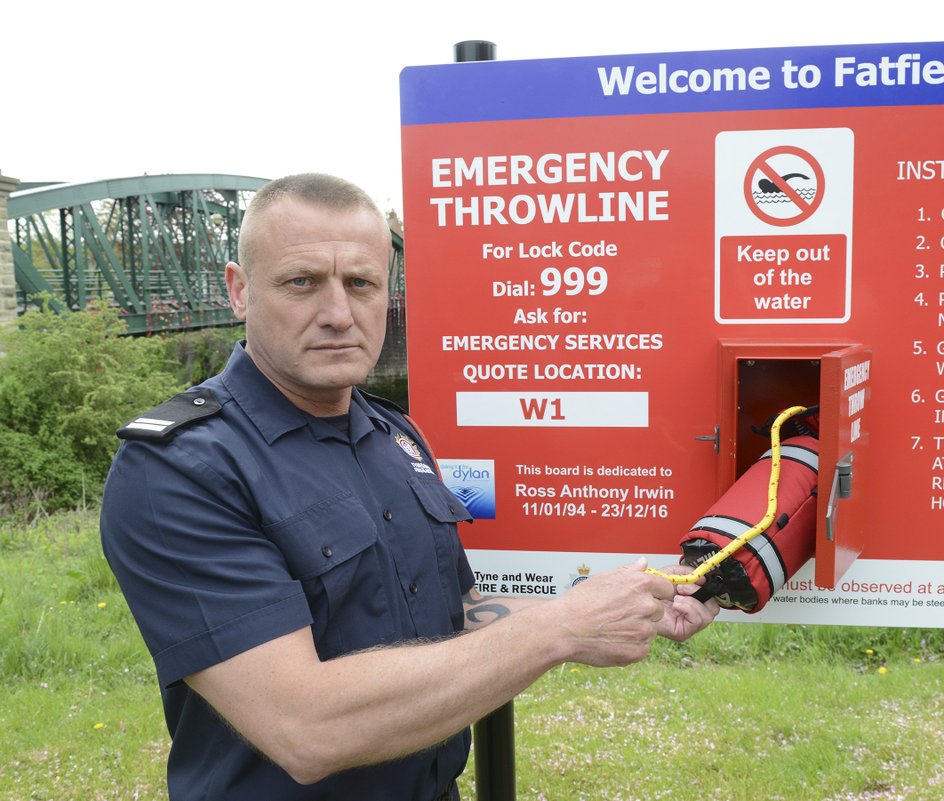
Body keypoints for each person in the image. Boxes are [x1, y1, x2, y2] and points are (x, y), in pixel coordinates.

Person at [99, 173, 717, 801]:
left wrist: (630, 599)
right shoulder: (179, 469)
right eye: (301, 282)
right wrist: (561, 629)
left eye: (361, 284)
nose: (338, 314)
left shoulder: (395, 435)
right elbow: (304, 727)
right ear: (239, 290)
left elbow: (461, 611)